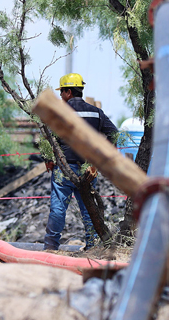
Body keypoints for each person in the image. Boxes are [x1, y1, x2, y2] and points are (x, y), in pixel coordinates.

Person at [44, 73, 118, 251]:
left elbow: (46, 138)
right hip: (88, 170)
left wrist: (48, 158)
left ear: (68, 92)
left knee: (58, 209)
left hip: (64, 169)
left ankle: (51, 247)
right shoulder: (95, 112)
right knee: (88, 210)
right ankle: (92, 247)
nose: (60, 97)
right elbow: (114, 134)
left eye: (61, 92)